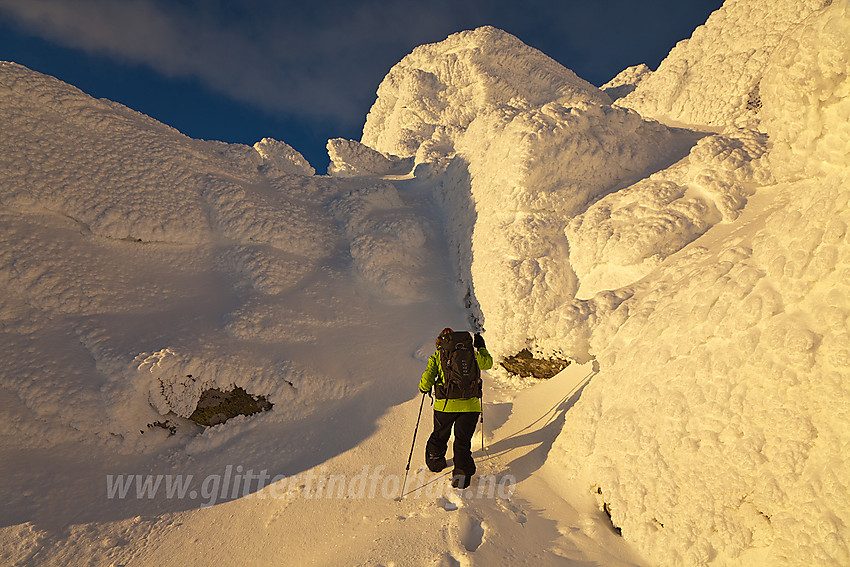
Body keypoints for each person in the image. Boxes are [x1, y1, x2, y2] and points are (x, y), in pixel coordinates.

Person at [419, 327, 493, 488]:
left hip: (445, 405)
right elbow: (488, 363)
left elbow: (427, 379)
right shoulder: (471, 353)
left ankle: (435, 462)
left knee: (440, 434)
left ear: (440, 341)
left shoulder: (438, 355)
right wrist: (481, 347)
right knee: (462, 440)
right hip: (470, 406)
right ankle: (462, 472)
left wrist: (424, 388)